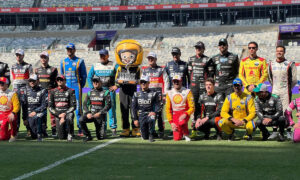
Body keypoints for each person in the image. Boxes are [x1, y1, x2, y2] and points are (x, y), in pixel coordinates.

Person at [268, 45, 297, 140]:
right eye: (277, 51)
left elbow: (294, 80)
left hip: (285, 91)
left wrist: (288, 88)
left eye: (281, 51)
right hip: (275, 91)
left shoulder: (290, 64)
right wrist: (275, 87)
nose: (279, 52)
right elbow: (270, 78)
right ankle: (275, 131)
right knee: (274, 110)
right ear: (275, 52)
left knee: (286, 111)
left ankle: (288, 131)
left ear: (284, 52)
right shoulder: (271, 64)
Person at [115, 40, 143, 137]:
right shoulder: (119, 68)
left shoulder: (137, 68)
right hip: (123, 92)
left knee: (134, 110)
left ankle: (136, 128)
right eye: (124, 56)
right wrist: (120, 82)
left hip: (133, 91)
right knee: (124, 110)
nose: (127, 59)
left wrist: (133, 82)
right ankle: (125, 128)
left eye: (130, 56)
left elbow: (140, 81)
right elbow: (116, 80)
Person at [87, 49, 117, 136]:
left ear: (107, 56)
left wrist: (116, 85)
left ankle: (113, 128)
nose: (102, 57)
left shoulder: (113, 65)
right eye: (100, 55)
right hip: (99, 91)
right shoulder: (95, 65)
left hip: (109, 90)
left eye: (104, 55)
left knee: (111, 110)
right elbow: (89, 77)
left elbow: (119, 76)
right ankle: (103, 128)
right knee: (100, 110)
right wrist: (92, 88)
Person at [188, 41, 214, 138]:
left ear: (203, 49)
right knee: (194, 109)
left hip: (204, 89)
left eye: (200, 47)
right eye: (197, 47)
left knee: (206, 108)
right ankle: (194, 129)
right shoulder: (191, 59)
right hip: (194, 88)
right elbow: (188, 74)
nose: (198, 49)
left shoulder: (208, 59)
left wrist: (209, 87)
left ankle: (206, 130)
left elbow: (211, 76)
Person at [60, 43, 87, 136]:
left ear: (74, 50)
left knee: (78, 110)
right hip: (66, 90)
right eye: (67, 49)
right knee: (67, 109)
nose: (69, 51)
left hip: (76, 89)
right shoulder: (63, 62)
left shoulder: (80, 61)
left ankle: (80, 128)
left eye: (71, 49)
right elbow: (62, 76)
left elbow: (84, 76)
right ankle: (69, 129)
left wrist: (80, 86)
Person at [142, 52, 166, 138]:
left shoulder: (161, 69)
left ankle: (161, 130)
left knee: (159, 114)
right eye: (149, 58)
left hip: (159, 96)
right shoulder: (145, 70)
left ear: (156, 59)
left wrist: (164, 95)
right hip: (148, 96)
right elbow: (142, 83)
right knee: (149, 114)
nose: (150, 60)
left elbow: (166, 82)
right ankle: (151, 131)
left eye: (152, 58)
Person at [80, 77, 111, 142]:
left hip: (100, 116)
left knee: (100, 137)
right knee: (81, 120)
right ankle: (88, 135)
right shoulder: (89, 92)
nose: (95, 83)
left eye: (97, 82)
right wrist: (88, 113)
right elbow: (85, 104)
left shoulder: (106, 92)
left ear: (101, 83)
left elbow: (109, 105)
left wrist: (100, 113)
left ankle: (101, 133)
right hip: (91, 115)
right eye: (94, 82)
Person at [35, 51, 58, 137]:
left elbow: (56, 83)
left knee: (52, 112)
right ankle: (43, 130)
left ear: (48, 59)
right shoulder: (37, 70)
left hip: (50, 92)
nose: (43, 59)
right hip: (41, 94)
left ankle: (54, 129)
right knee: (42, 112)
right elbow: (36, 83)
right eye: (42, 57)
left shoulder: (53, 69)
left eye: (45, 57)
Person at [131, 75, 161, 142]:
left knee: (152, 117)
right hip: (141, 115)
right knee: (144, 137)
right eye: (142, 82)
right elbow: (133, 107)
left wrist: (155, 112)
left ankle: (151, 134)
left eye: (145, 82)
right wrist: (135, 119)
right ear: (140, 83)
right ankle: (147, 134)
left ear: (148, 83)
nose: (143, 84)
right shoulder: (136, 94)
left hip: (150, 114)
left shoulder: (154, 93)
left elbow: (158, 105)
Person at [165, 75, 195, 141]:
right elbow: (168, 109)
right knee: (177, 138)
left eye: (178, 81)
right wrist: (171, 122)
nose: (176, 83)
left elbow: (192, 107)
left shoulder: (187, 91)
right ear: (172, 82)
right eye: (174, 81)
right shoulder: (169, 93)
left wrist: (186, 114)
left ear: (181, 81)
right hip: (175, 115)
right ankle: (181, 132)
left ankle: (186, 134)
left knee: (182, 122)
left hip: (184, 113)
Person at [11, 49, 33, 134]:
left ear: (23, 56)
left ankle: (29, 129)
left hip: (25, 89)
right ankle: (16, 130)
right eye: (17, 55)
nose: (18, 57)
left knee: (26, 110)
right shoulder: (12, 66)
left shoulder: (28, 66)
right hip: (15, 90)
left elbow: (31, 78)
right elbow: (12, 79)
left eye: (20, 55)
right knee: (16, 110)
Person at [48, 75, 76, 141]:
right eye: (58, 80)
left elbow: (73, 106)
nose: (60, 81)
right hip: (58, 113)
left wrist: (64, 114)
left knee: (70, 116)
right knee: (61, 137)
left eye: (61, 80)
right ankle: (63, 131)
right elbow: (50, 107)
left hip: (67, 112)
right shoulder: (52, 91)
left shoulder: (71, 91)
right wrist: (58, 114)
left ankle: (70, 134)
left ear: (65, 81)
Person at [22, 74, 48, 141]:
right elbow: (24, 106)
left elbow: (44, 105)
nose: (32, 82)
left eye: (33, 81)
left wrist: (35, 111)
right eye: (30, 81)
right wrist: (24, 118)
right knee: (34, 136)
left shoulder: (43, 90)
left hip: (39, 111)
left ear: (37, 81)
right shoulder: (25, 91)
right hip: (29, 113)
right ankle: (33, 131)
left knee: (37, 116)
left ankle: (40, 133)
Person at [0, 77, 20, 142]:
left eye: (2, 84)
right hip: (1, 114)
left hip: (9, 113)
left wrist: (13, 113)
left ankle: (13, 134)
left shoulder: (12, 93)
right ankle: (4, 133)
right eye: (0, 83)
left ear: (7, 84)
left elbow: (17, 106)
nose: (0, 85)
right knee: (3, 137)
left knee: (13, 118)